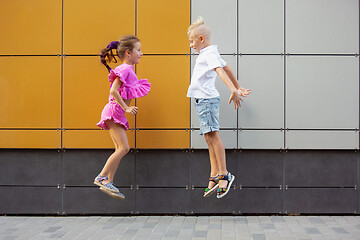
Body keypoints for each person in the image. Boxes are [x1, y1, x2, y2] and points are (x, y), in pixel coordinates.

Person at [187, 17, 251, 199]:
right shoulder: (209, 53)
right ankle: (215, 174)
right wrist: (237, 86)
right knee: (209, 137)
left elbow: (221, 71)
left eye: (192, 41)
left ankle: (224, 174)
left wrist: (233, 89)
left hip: (207, 100)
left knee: (214, 136)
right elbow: (228, 67)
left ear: (201, 39)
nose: (190, 45)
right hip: (203, 101)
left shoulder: (208, 54)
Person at [94, 36, 150, 199]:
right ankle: (102, 177)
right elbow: (113, 91)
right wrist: (126, 108)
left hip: (114, 112)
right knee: (124, 148)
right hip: (114, 112)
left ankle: (109, 180)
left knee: (120, 149)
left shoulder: (128, 69)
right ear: (128, 52)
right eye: (138, 50)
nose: (141, 53)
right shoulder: (126, 69)